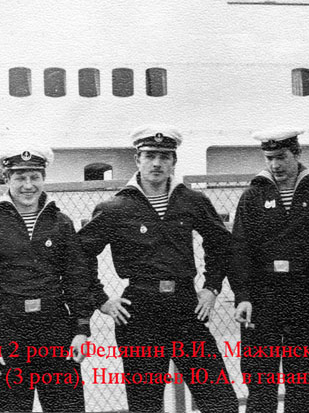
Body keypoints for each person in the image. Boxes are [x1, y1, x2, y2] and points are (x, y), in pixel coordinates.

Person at [79, 125, 239, 413]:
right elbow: (79, 254)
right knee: (146, 405)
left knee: (220, 401)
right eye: (150, 156)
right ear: (137, 159)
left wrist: (212, 288)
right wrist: (101, 300)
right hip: (140, 312)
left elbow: (221, 244)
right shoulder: (116, 207)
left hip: (185, 308)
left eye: (164, 157)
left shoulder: (192, 201)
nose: (156, 163)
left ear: (174, 161)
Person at [0, 144, 91, 412]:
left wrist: (81, 329)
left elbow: (76, 277)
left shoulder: (60, 222)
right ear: (6, 179)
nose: (28, 185)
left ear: (44, 178)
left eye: (35, 177)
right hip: (8, 332)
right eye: (20, 177)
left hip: (55, 331)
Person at [229, 129, 309, 413]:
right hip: (262, 294)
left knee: (304, 382)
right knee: (260, 381)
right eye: (269, 158)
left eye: (281, 157)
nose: (275, 164)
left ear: (297, 153)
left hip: (303, 290)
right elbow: (239, 250)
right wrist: (243, 296)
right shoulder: (253, 195)